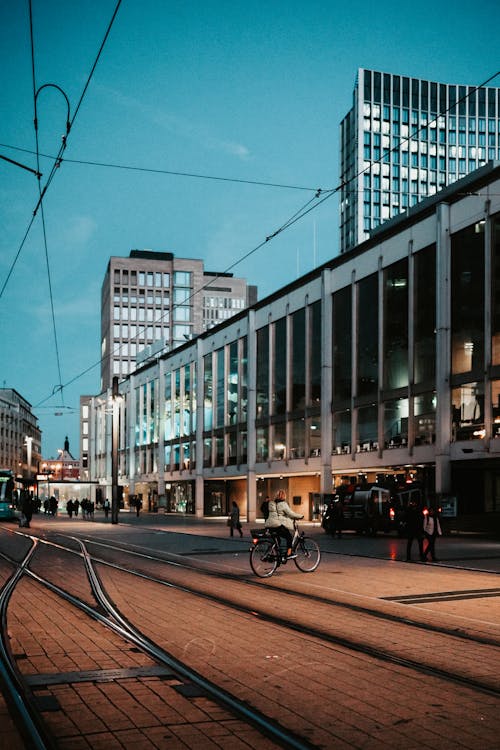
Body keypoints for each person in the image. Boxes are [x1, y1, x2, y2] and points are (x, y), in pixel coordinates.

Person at [265, 489, 303, 559]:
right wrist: (300, 516)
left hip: (269, 525)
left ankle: (277, 557)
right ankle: (289, 554)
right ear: (284, 496)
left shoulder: (272, 503)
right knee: (289, 537)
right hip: (277, 525)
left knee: (277, 541)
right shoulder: (283, 504)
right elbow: (290, 513)